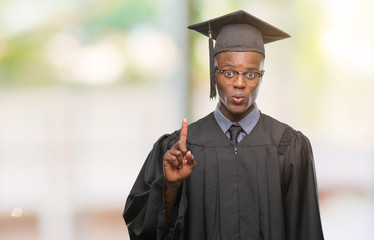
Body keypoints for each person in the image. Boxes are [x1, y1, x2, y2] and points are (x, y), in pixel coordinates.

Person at [123, 10, 324, 240]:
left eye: (251, 74)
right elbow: (143, 233)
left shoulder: (288, 148)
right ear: (214, 71)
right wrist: (169, 187)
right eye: (228, 72)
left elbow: (307, 232)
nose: (239, 83)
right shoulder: (180, 150)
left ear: (262, 74)